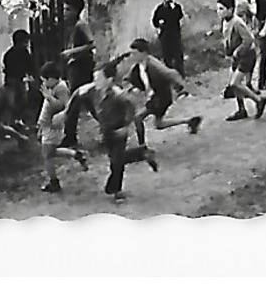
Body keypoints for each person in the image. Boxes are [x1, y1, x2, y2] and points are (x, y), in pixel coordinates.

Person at [91, 60, 159, 202]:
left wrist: (126, 126)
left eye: (98, 78)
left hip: (118, 130)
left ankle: (116, 191)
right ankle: (141, 153)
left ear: (109, 80)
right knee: (115, 160)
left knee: (117, 161)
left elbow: (131, 107)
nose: (95, 81)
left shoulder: (118, 94)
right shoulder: (98, 92)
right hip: (107, 131)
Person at [123, 38, 202, 142]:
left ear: (144, 53)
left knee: (138, 118)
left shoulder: (154, 65)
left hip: (161, 97)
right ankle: (189, 121)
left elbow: (172, 73)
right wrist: (129, 87)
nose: (132, 56)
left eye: (135, 54)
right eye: (131, 54)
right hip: (156, 96)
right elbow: (129, 78)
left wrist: (182, 88)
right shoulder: (139, 65)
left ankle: (142, 147)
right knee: (159, 124)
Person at [32, 62, 86, 194]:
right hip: (47, 125)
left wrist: (49, 97)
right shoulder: (52, 87)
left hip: (53, 126)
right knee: (51, 151)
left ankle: (53, 182)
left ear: (51, 78)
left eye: (45, 80)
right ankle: (75, 154)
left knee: (47, 155)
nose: (43, 83)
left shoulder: (61, 88)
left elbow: (63, 106)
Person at [218, 0, 266, 121]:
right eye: (218, 9)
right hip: (236, 57)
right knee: (234, 84)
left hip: (246, 56)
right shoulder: (225, 22)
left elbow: (249, 39)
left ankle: (258, 100)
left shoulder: (237, 22)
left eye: (221, 9)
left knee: (235, 83)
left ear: (230, 9)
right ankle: (241, 109)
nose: (219, 12)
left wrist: (237, 51)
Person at [56, 0, 96, 149]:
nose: (64, 13)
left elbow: (91, 45)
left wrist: (70, 53)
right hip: (75, 68)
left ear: (75, 10)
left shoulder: (81, 25)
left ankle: (70, 136)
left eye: (67, 9)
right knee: (87, 101)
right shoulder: (72, 27)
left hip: (82, 68)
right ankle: (112, 127)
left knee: (75, 102)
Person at [1, 30, 37, 132]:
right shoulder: (23, 53)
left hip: (12, 79)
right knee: (18, 102)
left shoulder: (9, 54)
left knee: (13, 103)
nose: (27, 44)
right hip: (16, 80)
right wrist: (30, 75)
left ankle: (12, 122)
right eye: (26, 42)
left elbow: (6, 67)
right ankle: (14, 122)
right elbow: (30, 65)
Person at [151, 0, 186, 75]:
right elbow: (154, 21)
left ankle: (181, 75)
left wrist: (172, 6)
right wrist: (159, 25)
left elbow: (179, 16)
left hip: (175, 35)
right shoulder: (160, 9)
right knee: (167, 57)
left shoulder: (176, 7)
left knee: (178, 56)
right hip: (165, 36)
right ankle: (169, 76)